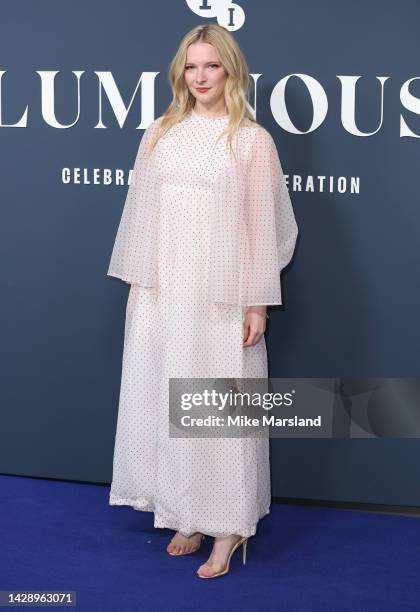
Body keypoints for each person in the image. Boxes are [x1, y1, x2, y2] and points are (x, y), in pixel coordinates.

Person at [106, 23, 298, 579]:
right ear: (179, 73)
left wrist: (257, 302)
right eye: (192, 67)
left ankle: (229, 526)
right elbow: (142, 215)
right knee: (166, 400)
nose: (201, 76)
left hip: (222, 295)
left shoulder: (251, 139)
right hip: (164, 289)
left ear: (231, 70)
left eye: (211, 65)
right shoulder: (160, 131)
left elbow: (265, 228)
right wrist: (139, 288)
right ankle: (185, 511)